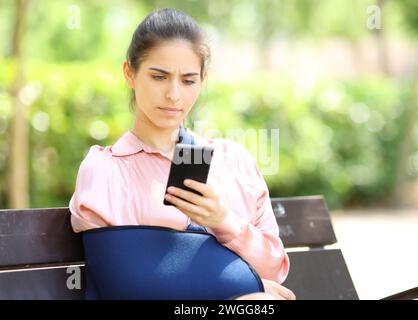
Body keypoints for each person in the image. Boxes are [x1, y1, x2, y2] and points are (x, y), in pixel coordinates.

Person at [69, 8, 294, 300]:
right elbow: (124, 283)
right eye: (159, 77)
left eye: (188, 80)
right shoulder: (106, 170)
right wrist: (249, 286)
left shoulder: (233, 161)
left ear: (203, 80)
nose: (174, 95)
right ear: (130, 73)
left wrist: (221, 219)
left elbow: (275, 270)